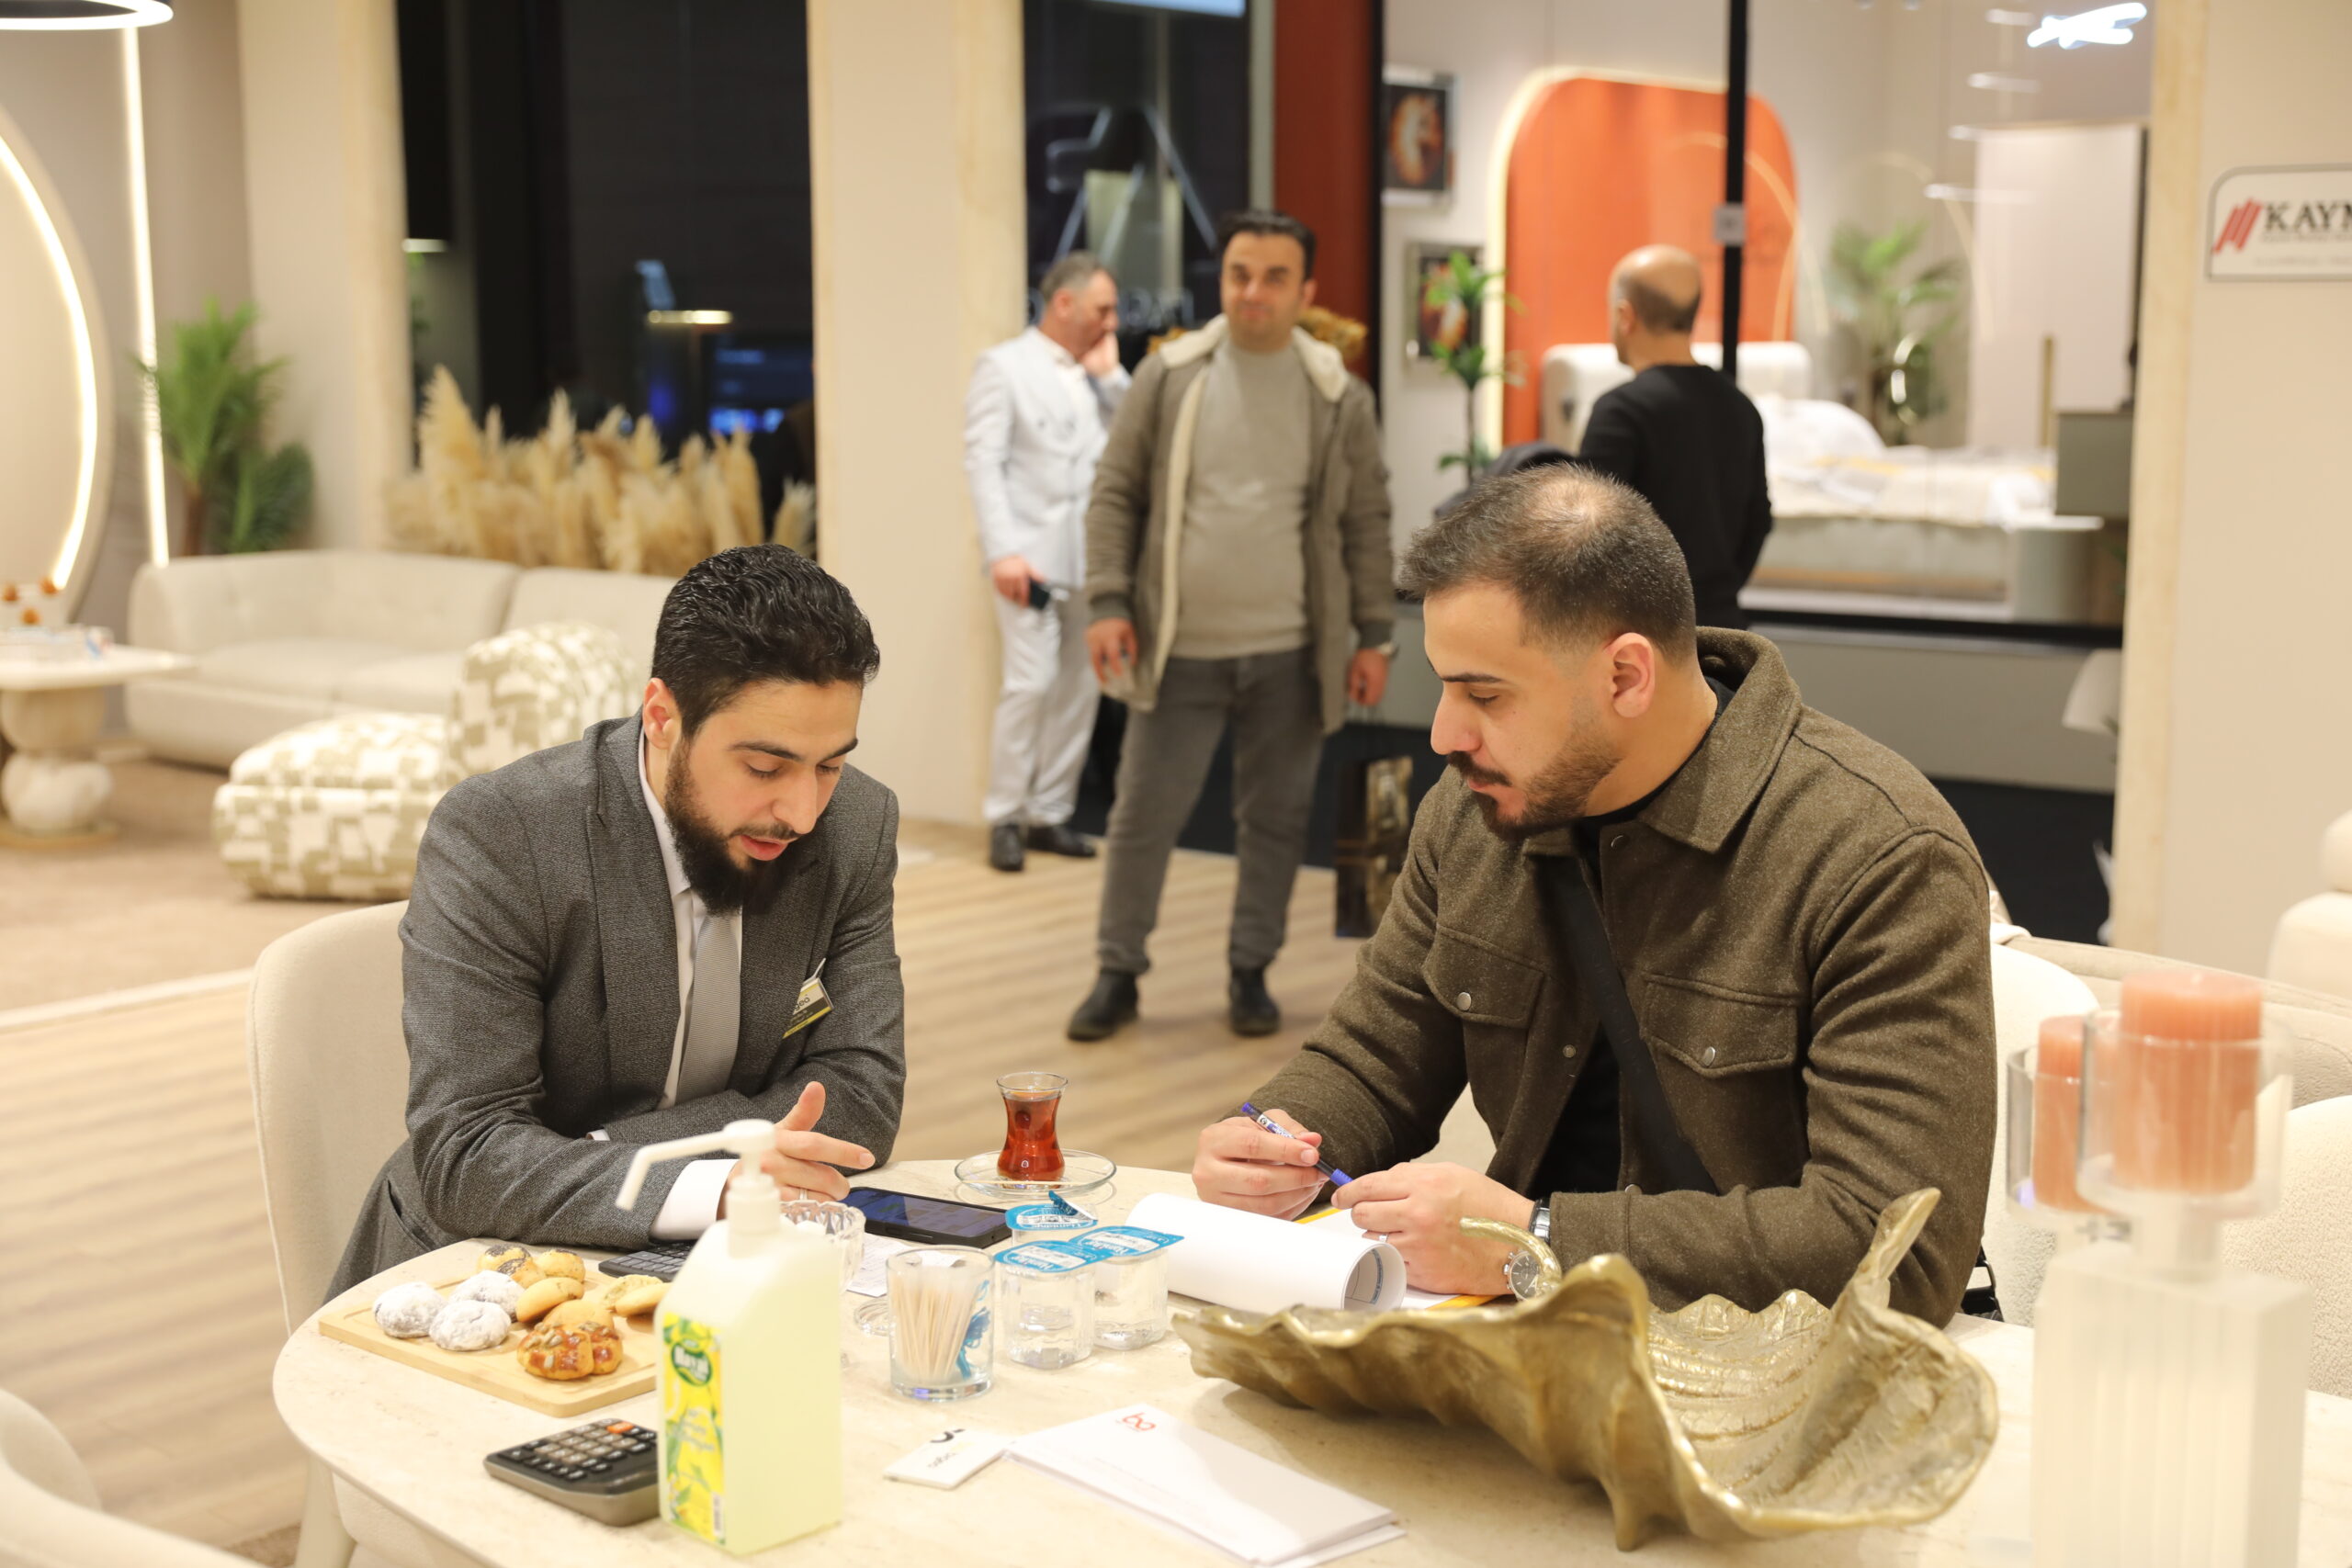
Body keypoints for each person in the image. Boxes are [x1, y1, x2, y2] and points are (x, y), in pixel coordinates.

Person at [1190, 467, 1995, 1322]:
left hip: (1774, 1368)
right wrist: (1275, 1141)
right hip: (1522, 1338)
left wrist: (1536, 1239)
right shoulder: (1474, 814)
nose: (1444, 733)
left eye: (1485, 693)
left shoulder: (1880, 855)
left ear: (1626, 677)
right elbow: (1375, 1054)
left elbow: (1896, 1250)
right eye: (1444, 684)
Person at [331, 546, 905, 1296]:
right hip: (480, 1270)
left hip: (729, 1261)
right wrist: (713, 1180)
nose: (802, 812)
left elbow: (861, 1095)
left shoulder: (856, 825)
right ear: (662, 717)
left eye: (829, 765)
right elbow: (467, 1156)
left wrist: (597, 1153)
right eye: (764, 768)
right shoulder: (505, 834)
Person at [1071, 209, 1395, 1042]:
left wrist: (1373, 633)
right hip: (1178, 649)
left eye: (1274, 276)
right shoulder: (1169, 376)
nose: (1254, 291)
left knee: (1277, 819)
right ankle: (1117, 970)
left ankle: (1251, 969)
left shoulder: (1338, 396)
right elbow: (1115, 496)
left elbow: (1365, 521)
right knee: (1143, 814)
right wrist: (1108, 602)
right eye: (1239, 273)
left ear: (1306, 290)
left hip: (1294, 652)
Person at [964, 252, 1130, 874]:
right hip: (1028, 560)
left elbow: (1137, 440)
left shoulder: (1100, 377)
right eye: (1102, 309)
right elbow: (984, 462)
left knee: (1081, 688)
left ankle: (1049, 812)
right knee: (1029, 685)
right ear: (1064, 303)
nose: (1112, 322)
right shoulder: (1003, 367)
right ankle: (1006, 814)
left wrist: (1113, 379)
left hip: (1092, 558)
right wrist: (1002, 551)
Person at [1575, 244, 1772, 629]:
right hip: (1723, 632)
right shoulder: (1740, 406)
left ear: (1625, 316)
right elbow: (1758, 521)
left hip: (1640, 635)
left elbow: (1587, 534)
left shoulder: (1620, 412)